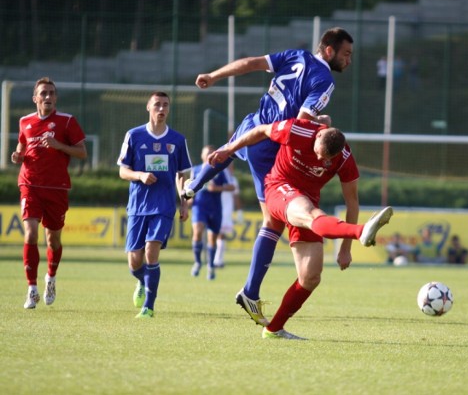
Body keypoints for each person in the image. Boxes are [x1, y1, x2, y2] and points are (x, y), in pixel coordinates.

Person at [185, 27, 354, 325]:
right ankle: (250, 291)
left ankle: (191, 186)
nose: (349, 60)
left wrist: (214, 75)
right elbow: (301, 123)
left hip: (253, 122)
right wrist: (324, 121)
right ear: (329, 50)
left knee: (226, 152)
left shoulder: (295, 56)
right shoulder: (325, 80)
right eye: (346, 54)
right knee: (273, 220)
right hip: (270, 144)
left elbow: (250, 63)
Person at [208, 117, 393, 339]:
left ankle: (274, 328)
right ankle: (361, 231)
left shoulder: (344, 158)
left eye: (324, 159)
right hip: (279, 188)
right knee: (313, 215)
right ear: (317, 136)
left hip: (306, 200)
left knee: (311, 277)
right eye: (317, 152)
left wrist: (345, 249)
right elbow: (261, 130)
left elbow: (352, 202)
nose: (318, 159)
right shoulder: (297, 129)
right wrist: (229, 149)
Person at [11, 77, 88, 309]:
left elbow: (82, 152)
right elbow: (22, 146)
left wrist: (59, 146)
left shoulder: (66, 121)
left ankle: (50, 279)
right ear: (35, 98)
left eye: (51, 93)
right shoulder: (24, 121)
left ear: (56, 98)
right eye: (43, 93)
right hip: (29, 184)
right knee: (30, 233)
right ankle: (32, 289)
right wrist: (17, 155)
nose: (48, 97)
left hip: (56, 188)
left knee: (53, 240)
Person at [117, 91, 192, 318]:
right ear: (148, 107)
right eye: (157, 105)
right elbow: (122, 170)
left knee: (151, 251)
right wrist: (140, 175)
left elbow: (183, 174)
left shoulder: (177, 140)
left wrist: (184, 201)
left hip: (163, 205)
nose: (161, 109)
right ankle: (142, 282)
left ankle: (148, 307)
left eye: (165, 105)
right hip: (138, 205)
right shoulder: (134, 135)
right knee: (134, 261)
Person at [188, 145, 235, 280]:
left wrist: (218, 188)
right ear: (202, 155)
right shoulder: (196, 170)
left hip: (215, 208)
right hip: (199, 206)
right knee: (197, 231)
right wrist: (188, 199)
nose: (208, 154)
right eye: (206, 152)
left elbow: (232, 186)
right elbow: (190, 187)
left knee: (212, 239)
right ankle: (197, 262)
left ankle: (210, 266)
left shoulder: (220, 169)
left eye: (210, 152)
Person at [214, 163, 243, 268]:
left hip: (226, 211)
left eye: (232, 167)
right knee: (215, 235)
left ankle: (218, 260)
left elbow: (236, 196)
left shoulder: (233, 180)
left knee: (221, 235)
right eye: (228, 167)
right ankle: (215, 259)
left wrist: (239, 211)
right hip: (216, 209)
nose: (231, 169)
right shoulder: (218, 177)